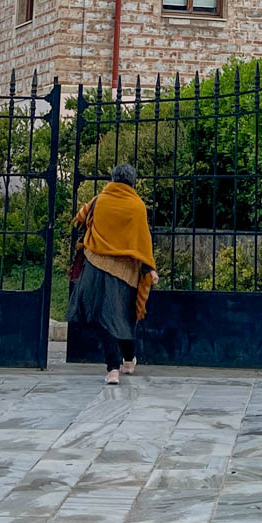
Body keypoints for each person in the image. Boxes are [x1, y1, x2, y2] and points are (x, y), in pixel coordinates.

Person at [67, 162, 158, 384]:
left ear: (113, 178)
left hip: (96, 266)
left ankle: (115, 368)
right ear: (132, 181)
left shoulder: (100, 200)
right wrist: (149, 269)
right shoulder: (137, 206)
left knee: (104, 318)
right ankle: (126, 361)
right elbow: (142, 242)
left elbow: (79, 219)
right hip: (125, 272)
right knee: (123, 316)